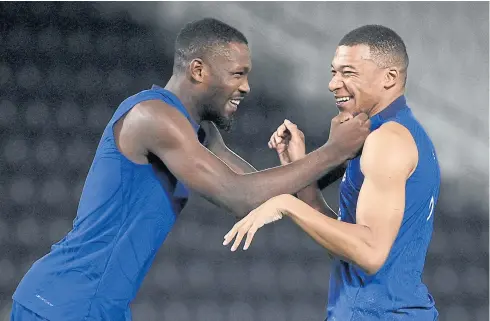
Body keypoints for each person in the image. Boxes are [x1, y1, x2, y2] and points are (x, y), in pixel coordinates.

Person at [11, 18, 370, 321]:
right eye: (237, 74)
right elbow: (238, 197)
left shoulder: (199, 130)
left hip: (98, 305)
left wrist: (337, 158)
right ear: (198, 70)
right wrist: (332, 149)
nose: (245, 86)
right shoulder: (154, 117)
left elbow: (259, 193)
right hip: (64, 302)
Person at [224, 24, 440, 321]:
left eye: (348, 73)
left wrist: (287, 204)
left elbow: (370, 252)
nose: (333, 83)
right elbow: (349, 248)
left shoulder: (387, 141)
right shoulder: (393, 133)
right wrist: (301, 175)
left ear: (389, 78)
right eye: (333, 72)